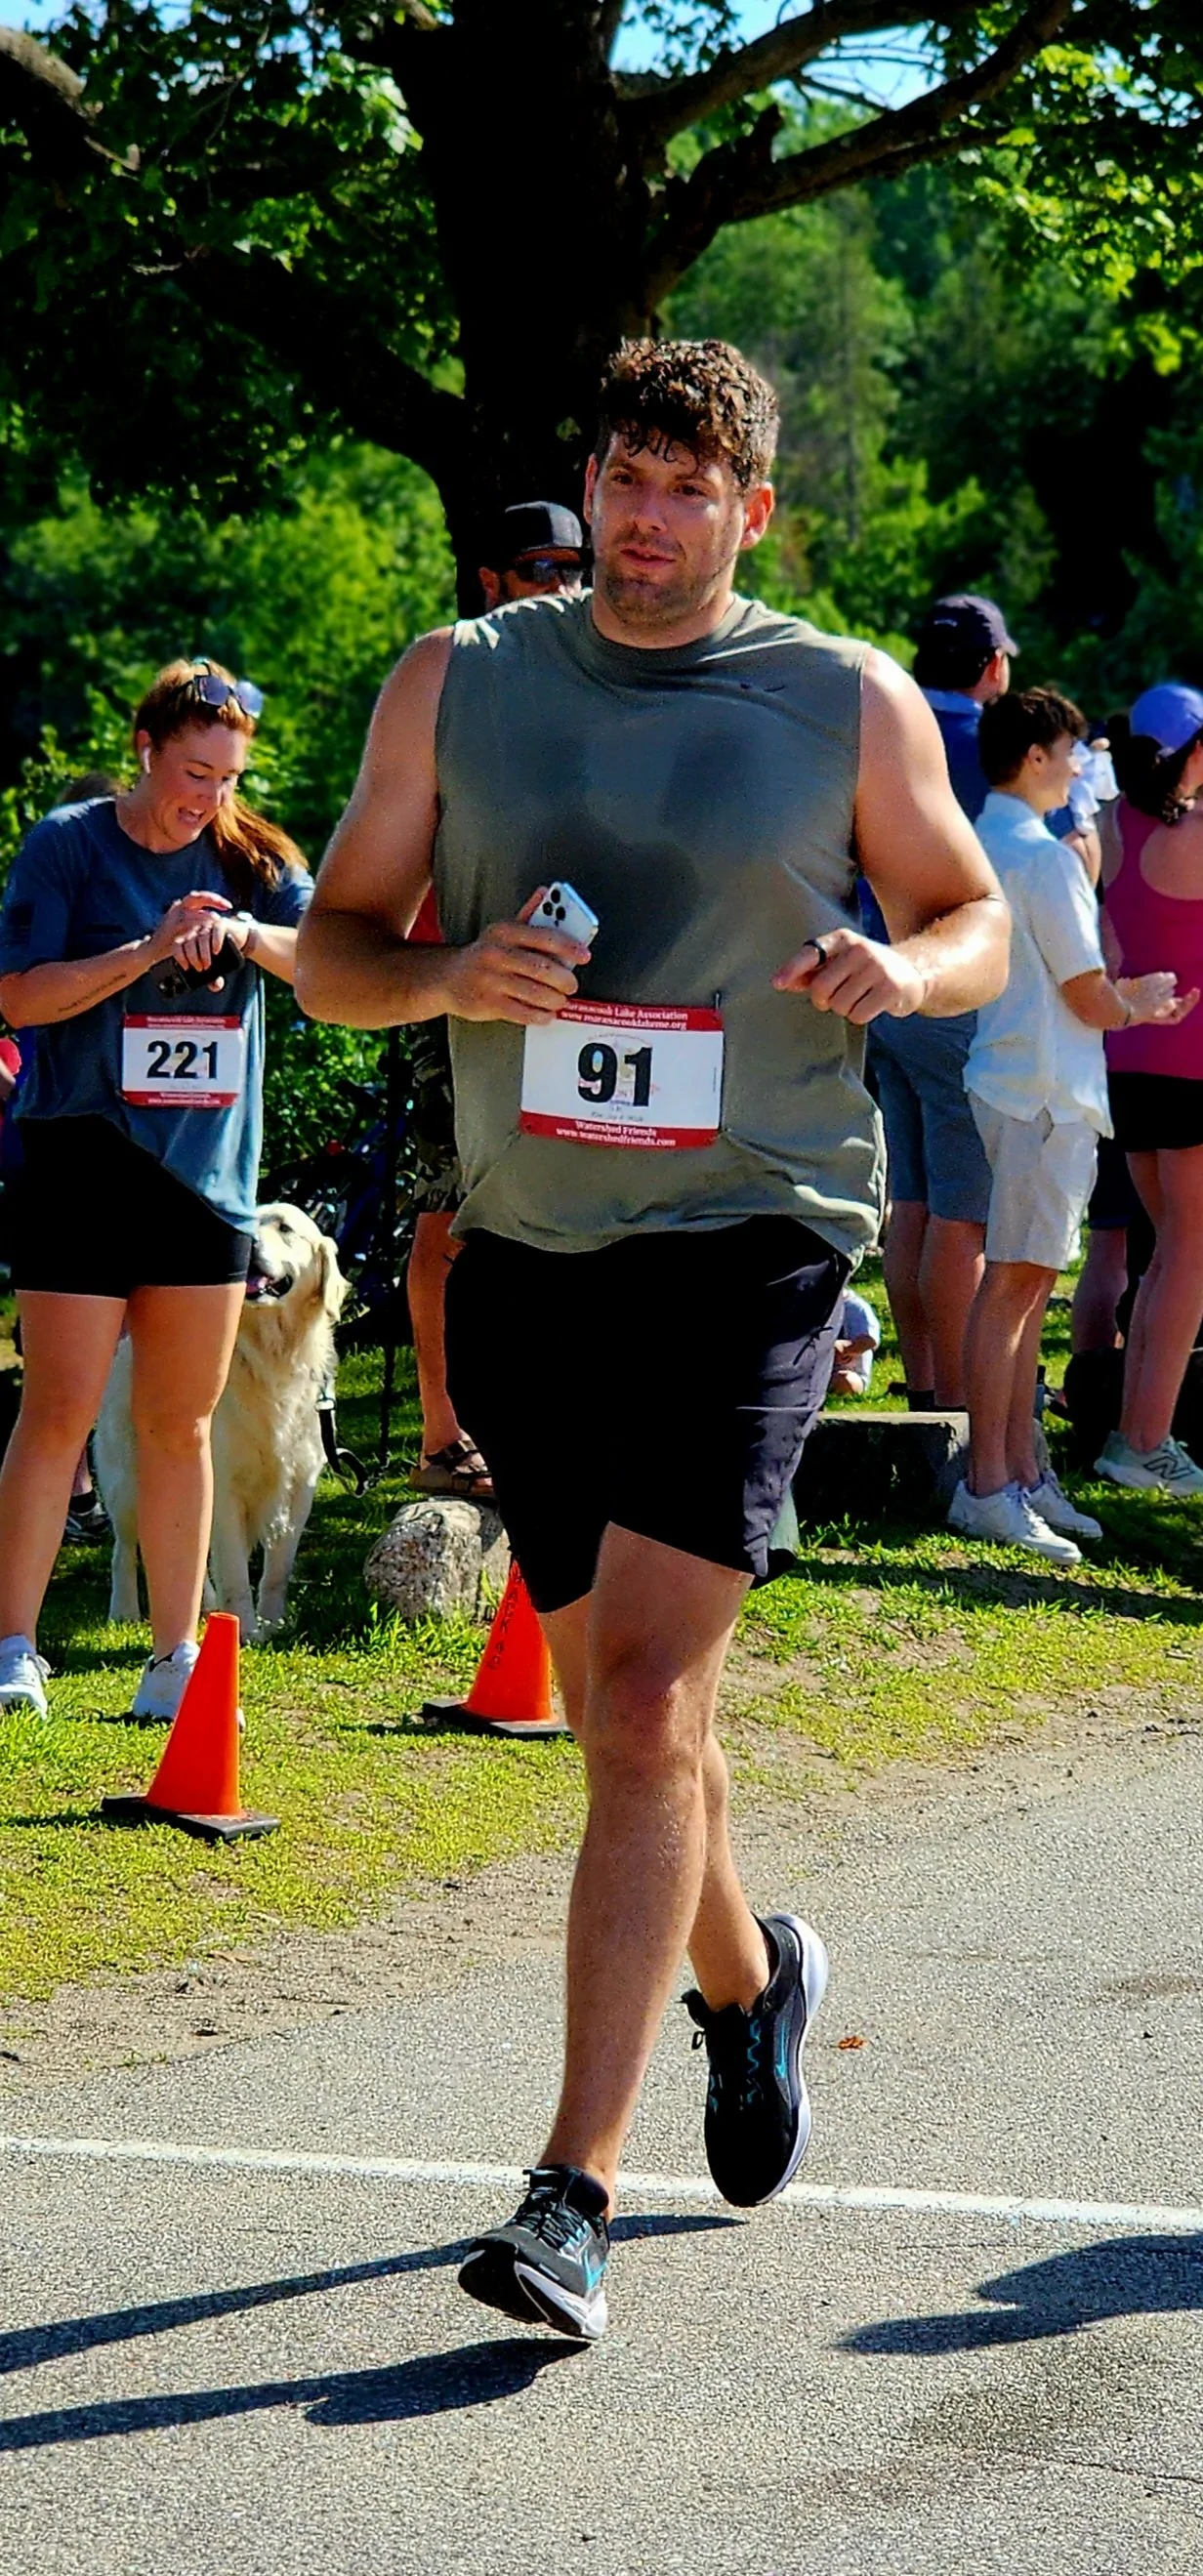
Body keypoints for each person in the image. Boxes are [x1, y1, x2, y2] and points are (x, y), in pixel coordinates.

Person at [296, 335, 1009, 2343]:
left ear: (751, 511)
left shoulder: (844, 695)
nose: (646, 512)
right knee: (638, 1707)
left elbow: (972, 912)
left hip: (751, 1238)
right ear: (588, 485)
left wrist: (904, 958)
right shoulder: (463, 679)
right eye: (622, 474)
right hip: (531, 1252)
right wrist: (446, 968)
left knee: (630, 1707)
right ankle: (747, 1979)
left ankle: (568, 2193)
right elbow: (339, 952)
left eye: (689, 487)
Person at [0, 658, 311, 1718]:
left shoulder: (257, 858)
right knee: (62, 1411)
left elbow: (327, 961)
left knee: (179, 1421)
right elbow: (20, 997)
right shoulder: (68, 844)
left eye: (226, 777)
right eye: (191, 771)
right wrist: (148, 949)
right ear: (145, 751)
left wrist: (243, 935)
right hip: (80, 1157)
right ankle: (13, 1647)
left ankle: (172, 1657)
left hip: (205, 1180)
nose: (207, 798)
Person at [950, 686, 1191, 1561]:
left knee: (1023, 1285)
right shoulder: (1038, 857)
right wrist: (1142, 1006)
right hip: (1044, 1089)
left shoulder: (990, 838)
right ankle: (990, 1485)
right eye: (1073, 751)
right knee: (1013, 1287)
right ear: (1039, 757)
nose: (1083, 766)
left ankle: (1020, 1470)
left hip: (1021, 1080)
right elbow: (1087, 992)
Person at [405, 502, 586, 1497]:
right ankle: (444, 1435)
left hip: (584, 985)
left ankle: (541, 1426)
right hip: (456, 977)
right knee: (450, 1215)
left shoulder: (612, 676)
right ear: (488, 579)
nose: (558, 583)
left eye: (572, 565)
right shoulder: (451, 679)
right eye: (534, 567)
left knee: (557, 1214)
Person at [866, 593, 1016, 1410]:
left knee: (914, 1200)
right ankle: (960, 1404)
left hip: (875, 982)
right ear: (993, 666)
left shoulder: (879, 730)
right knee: (963, 1210)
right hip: (951, 988)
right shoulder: (994, 746)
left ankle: (927, 1386)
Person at [1094, 681, 1203, 1492]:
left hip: (1126, 1062)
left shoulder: (1104, 828)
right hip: (1192, 1062)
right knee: (1188, 1257)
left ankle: (1132, 1434)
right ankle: (1142, 1443)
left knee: (1168, 1253)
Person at [828, 1286, 882, 1397]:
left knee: (845, 1381)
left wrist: (847, 1348)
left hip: (849, 1370)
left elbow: (870, 1340)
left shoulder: (856, 1307)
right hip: (816, 1371)